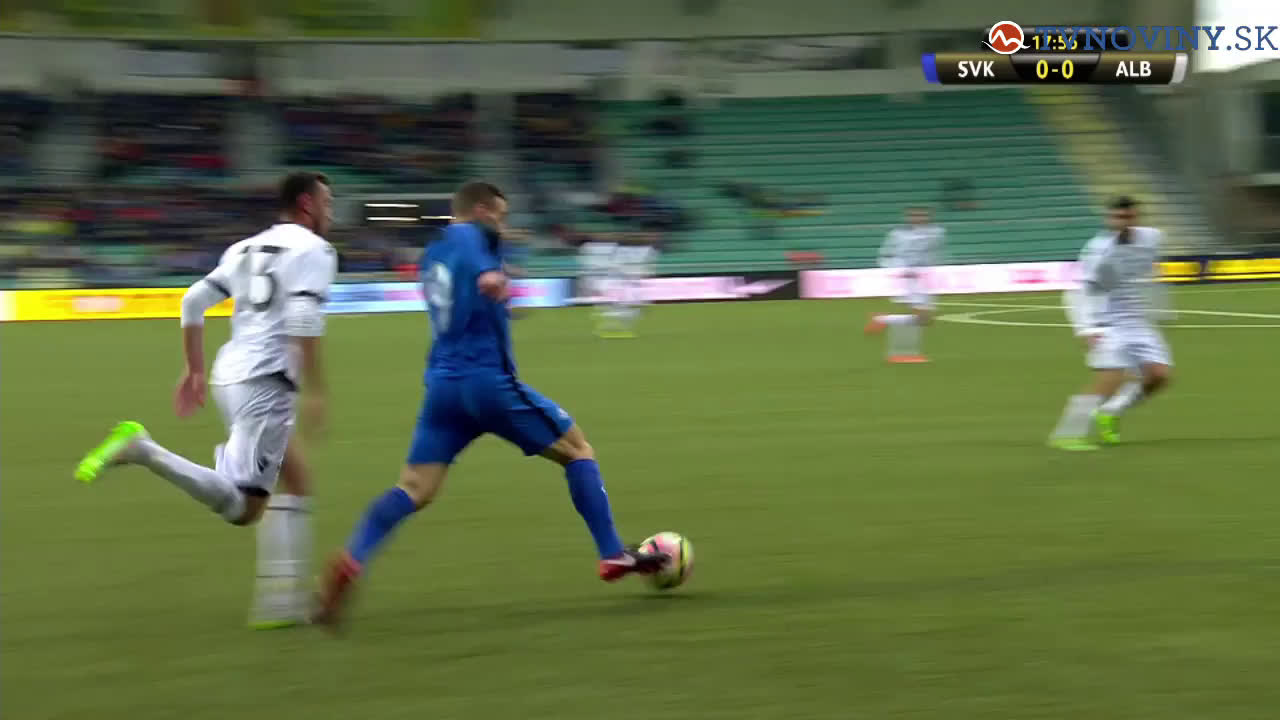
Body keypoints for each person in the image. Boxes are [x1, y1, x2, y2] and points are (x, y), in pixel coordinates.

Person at [314, 181, 666, 627]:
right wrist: (494, 279)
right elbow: (481, 270)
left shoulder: (432, 252)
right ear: (481, 210)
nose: (502, 224)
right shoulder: (469, 235)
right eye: (500, 215)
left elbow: (465, 294)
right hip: (485, 383)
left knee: (414, 489)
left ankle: (354, 558)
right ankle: (612, 553)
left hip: (443, 387)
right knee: (578, 450)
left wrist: (498, 301)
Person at [74, 172, 337, 628]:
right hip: (267, 382)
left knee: (296, 477)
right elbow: (302, 315)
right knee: (244, 507)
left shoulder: (244, 248)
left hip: (229, 374)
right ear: (306, 205)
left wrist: (193, 369)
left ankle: (281, 601)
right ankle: (144, 450)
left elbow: (193, 301)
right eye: (327, 203)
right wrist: (315, 388)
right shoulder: (315, 250)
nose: (331, 213)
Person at [1049, 196, 1172, 450]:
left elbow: (1153, 272)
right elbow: (1078, 291)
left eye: (1128, 217)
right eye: (1117, 217)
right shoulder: (1099, 250)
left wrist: (1161, 307)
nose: (1123, 222)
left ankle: (1110, 413)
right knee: (1111, 377)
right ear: (1109, 219)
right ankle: (1067, 434)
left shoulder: (1151, 237)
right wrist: (1086, 328)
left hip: (1137, 321)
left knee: (1159, 376)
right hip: (1107, 323)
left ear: (1136, 217)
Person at [864, 207, 945, 363]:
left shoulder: (935, 232)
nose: (919, 218)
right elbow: (886, 255)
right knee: (920, 316)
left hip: (926, 278)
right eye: (915, 215)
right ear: (909, 218)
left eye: (922, 215)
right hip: (911, 279)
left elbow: (935, 253)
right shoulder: (899, 235)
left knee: (926, 320)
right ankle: (903, 352)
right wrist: (900, 270)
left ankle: (881, 320)